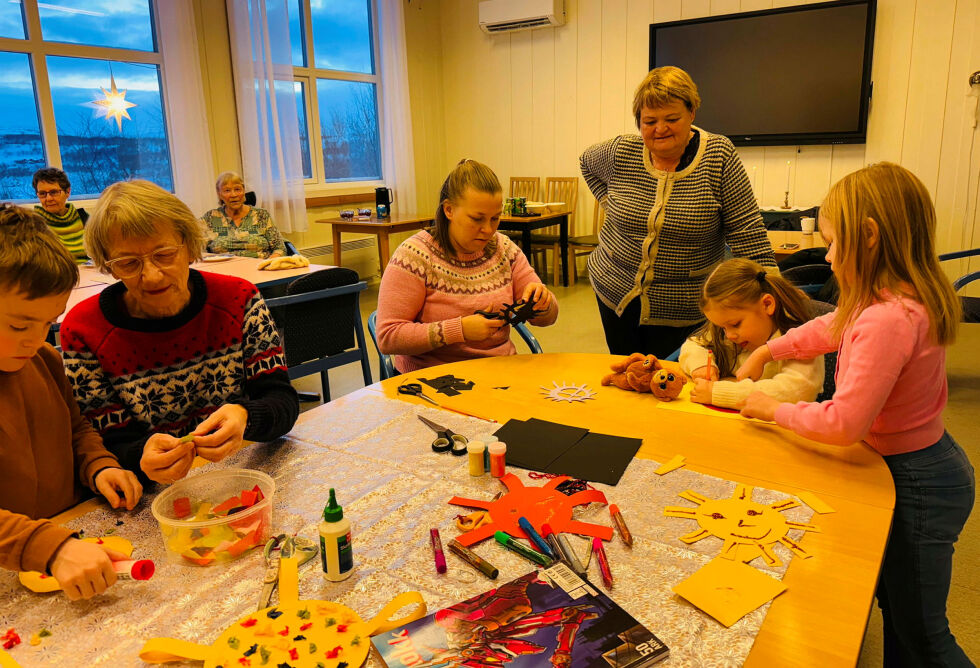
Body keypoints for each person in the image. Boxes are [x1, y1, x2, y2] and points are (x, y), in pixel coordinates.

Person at [738, 162, 974, 666]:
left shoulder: (887, 319)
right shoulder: (895, 296)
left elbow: (844, 424)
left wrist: (773, 407)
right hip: (920, 464)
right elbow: (832, 326)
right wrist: (765, 352)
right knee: (897, 606)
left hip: (919, 482)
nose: (825, 253)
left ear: (867, 237)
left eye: (831, 241)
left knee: (925, 634)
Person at [59, 180, 299, 486]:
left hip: (242, 478)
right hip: (154, 494)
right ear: (108, 266)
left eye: (164, 254)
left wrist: (246, 416)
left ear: (189, 246)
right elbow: (99, 443)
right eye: (128, 263)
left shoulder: (239, 300)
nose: (152, 275)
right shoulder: (84, 330)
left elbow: (282, 401)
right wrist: (138, 457)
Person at [580, 66, 776, 358]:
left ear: (692, 112)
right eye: (649, 121)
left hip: (684, 306)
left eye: (672, 119)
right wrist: (612, 205)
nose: (660, 129)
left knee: (674, 380)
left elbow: (747, 232)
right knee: (627, 374)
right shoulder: (620, 151)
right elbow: (586, 163)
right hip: (614, 290)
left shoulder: (719, 156)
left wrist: (777, 299)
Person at [0, 203, 142, 601]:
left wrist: (98, 467)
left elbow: (75, 428)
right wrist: (49, 547)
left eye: (48, 322)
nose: (35, 338)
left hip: (63, 547)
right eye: (19, 324)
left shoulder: (42, 359)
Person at [376, 159, 558, 373]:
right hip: (433, 378)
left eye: (495, 218)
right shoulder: (414, 256)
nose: (488, 229)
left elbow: (549, 317)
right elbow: (388, 337)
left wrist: (543, 303)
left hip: (498, 373)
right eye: (477, 219)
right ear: (449, 210)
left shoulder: (505, 249)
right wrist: (458, 330)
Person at [679, 258, 823, 409]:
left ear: (767, 304)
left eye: (735, 324)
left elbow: (794, 393)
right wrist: (700, 366)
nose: (729, 335)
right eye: (722, 328)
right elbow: (694, 344)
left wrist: (718, 393)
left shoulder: (800, 340)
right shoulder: (731, 333)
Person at [200, 171, 287, 259]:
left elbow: (280, 249)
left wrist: (268, 264)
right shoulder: (210, 218)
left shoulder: (261, 215)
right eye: (227, 190)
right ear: (219, 194)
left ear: (244, 190)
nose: (233, 195)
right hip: (222, 270)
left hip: (259, 268)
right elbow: (196, 249)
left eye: (237, 189)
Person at [32, 166, 89, 264]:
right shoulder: (33, 223)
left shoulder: (83, 218)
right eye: (42, 193)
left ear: (68, 192)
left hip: (92, 276)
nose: (48, 198)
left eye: (54, 192)